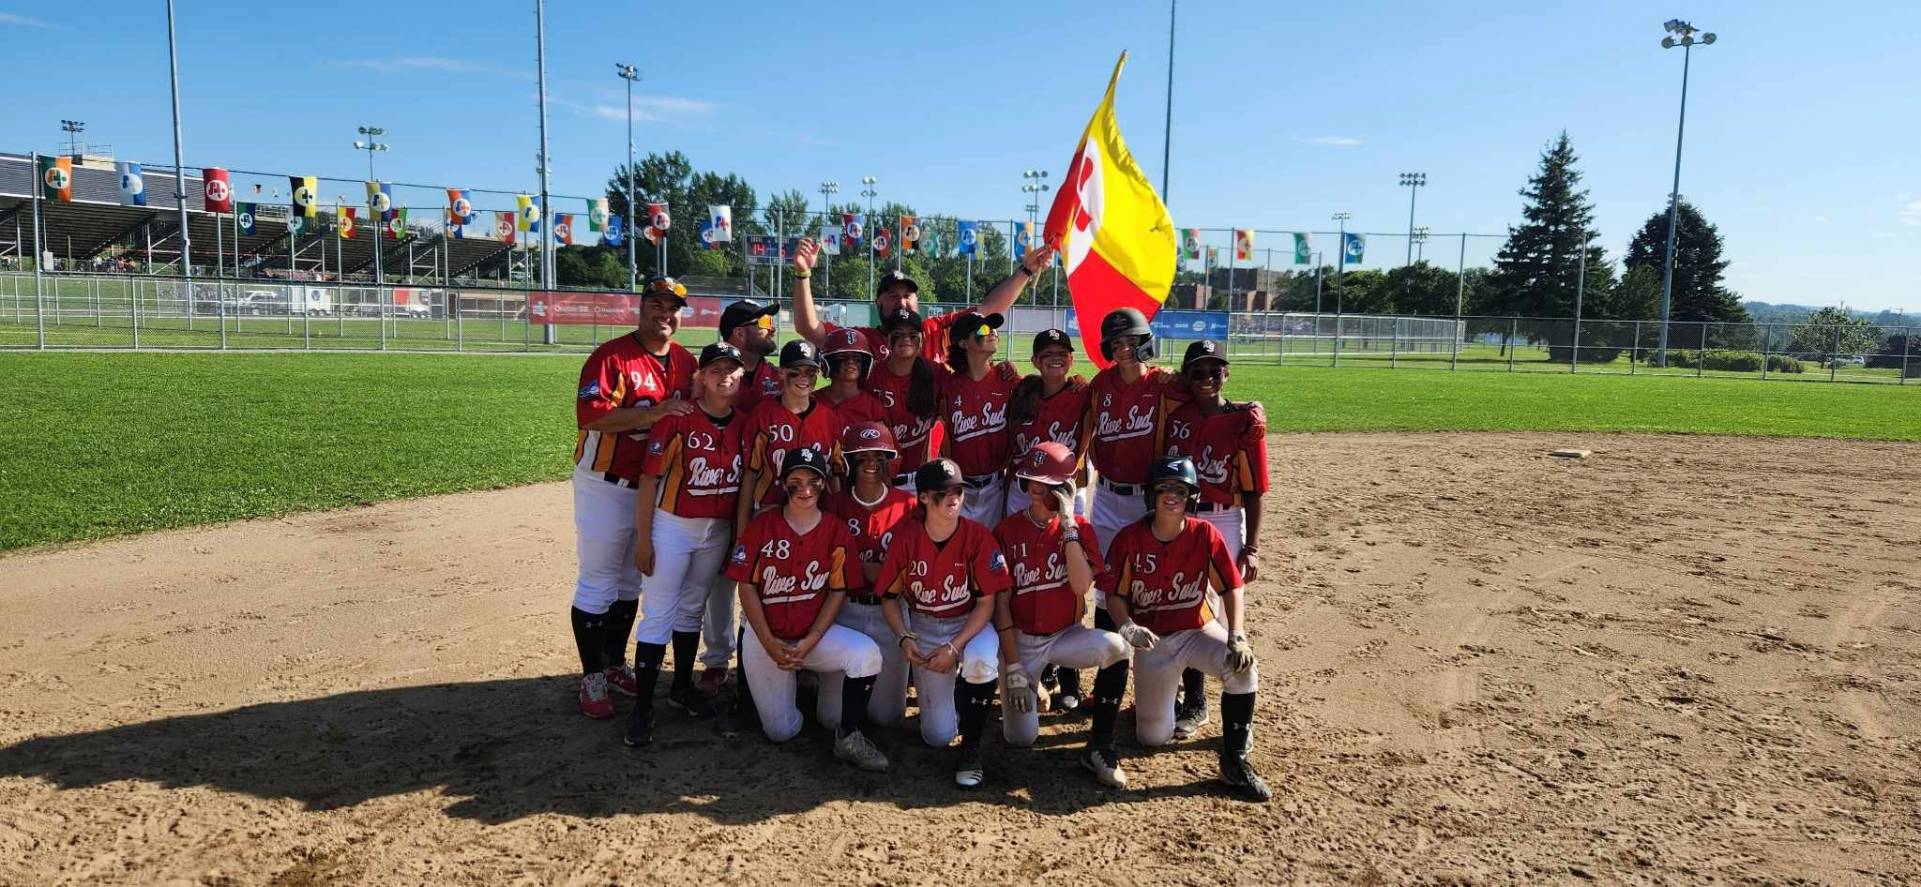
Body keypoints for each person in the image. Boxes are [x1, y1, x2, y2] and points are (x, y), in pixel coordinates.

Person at [1102, 456, 1269, 802]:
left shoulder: (1205, 534)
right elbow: (1114, 596)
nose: (1171, 496)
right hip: (1154, 644)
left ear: (1191, 496)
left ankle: (1235, 758)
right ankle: (1162, 705)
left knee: (1243, 666)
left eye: (1179, 489)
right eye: (1163, 488)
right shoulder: (1129, 539)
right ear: (1151, 494)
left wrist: (1236, 633)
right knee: (1152, 737)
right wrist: (1127, 626)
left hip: (1198, 632)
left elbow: (1231, 587)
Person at [568, 276, 698, 720]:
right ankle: (591, 677)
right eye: (658, 304)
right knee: (599, 581)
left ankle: (614, 662)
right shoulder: (612, 356)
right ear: (641, 307)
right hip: (605, 483)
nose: (667, 314)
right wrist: (653, 413)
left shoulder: (684, 361)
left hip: (653, 488)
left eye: (674, 307)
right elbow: (590, 415)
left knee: (631, 581)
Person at [721, 447, 891, 771]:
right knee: (780, 732)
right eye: (796, 482)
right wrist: (770, 644)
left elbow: (838, 591)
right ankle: (796, 698)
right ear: (784, 485)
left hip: (811, 639)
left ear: (824, 485)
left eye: (814, 482)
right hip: (766, 638)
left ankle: (849, 736)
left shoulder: (835, 529)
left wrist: (811, 641)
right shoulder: (762, 526)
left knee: (866, 654)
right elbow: (746, 587)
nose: (806, 490)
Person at [625, 342, 747, 743]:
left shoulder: (744, 423)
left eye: (732, 368)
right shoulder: (678, 420)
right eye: (715, 369)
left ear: (741, 375)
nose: (724, 375)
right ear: (701, 377)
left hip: (717, 531)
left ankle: (681, 689)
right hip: (673, 526)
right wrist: (645, 539)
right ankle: (643, 707)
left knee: (692, 608)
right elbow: (648, 481)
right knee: (659, 612)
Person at [992, 442, 1130, 788]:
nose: (1035, 495)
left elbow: (1082, 586)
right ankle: (1030, 682)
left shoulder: (1080, 528)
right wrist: (1012, 668)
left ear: (1064, 490)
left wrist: (1068, 523)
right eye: (1031, 485)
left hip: (1065, 637)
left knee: (1116, 647)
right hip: (1021, 642)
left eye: (1046, 488)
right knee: (1020, 739)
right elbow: (1001, 606)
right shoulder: (1007, 531)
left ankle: (1100, 745)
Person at [876, 458, 1012, 788]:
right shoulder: (907, 538)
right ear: (923, 497)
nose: (954, 497)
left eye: (958, 490)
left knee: (979, 662)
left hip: (968, 623)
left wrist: (954, 647)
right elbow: (889, 597)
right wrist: (904, 638)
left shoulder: (977, 536)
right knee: (937, 736)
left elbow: (986, 602)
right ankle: (954, 708)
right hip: (923, 624)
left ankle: (971, 748)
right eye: (944, 491)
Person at [788, 235, 1057, 365]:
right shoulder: (863, 340)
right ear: (878, 304)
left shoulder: (935, 331)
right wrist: (803, 273)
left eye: (907, 296)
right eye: (893, 296)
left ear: (917, 302)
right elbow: (810, 329)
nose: (902, 302)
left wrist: (1026, 271)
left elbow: (988, 311)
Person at [698, 299, 779, 697]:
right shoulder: (712, 377)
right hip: (715, 489)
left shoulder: (777, 376)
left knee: (763, 574)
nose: (772, 326)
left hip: (760, 494)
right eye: (763, 321)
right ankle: (716, 659)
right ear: (738, 333)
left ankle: (760, 650)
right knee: (717, 579)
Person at [821, 421, 918, 729]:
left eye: (879, 457)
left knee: (887, 718)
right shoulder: (834, 505)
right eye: (862, 457)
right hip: (845, 610)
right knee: (830, 719)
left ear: (889, 461)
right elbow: (824, 563)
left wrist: (856, 565)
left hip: (890, 613)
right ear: (849, 462)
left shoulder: (908, 504)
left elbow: (909, 572)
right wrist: (881, 569)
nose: (871, 464)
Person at [1163, 339, 1268, 584]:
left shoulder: (1245, 423)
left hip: (1224, 519)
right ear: (1187, 377)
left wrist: (1252, 548)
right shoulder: (1174, 415)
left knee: (1223, 595)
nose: (1206, 378)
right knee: (1180, 591)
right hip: (1179, 514)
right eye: (1198, 372)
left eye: (1215, 371)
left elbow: (1255, 491)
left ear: (1227, 374)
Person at [937, 312, 1019, 523]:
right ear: (964, 343)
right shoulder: (947, 386)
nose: (991, 332)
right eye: (982, 329)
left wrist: (1076, 381)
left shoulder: (1008, 381)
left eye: (992, 328)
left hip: (996, 488)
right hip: (959, 488)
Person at [1003, 328, 1093, 517]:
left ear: (1071, 360)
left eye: (1062, 353)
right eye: (1047, 354)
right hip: (1023, 488)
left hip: (1064, 488)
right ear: (1035, 361)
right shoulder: (1020, 391)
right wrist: (1003, 366)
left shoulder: (1084, 395)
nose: (1056, 358)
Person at [863, 307, 943, 493]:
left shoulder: (935, 373)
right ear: (887, 341)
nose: (905, 339)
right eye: (897, 334)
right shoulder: (871, 376)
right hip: (878, 478)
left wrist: (1003, 368)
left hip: (920, 479)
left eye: (913, 334)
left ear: (921, 340)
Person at [718, 299, 783, 416]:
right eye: (764, 322)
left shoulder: (781, 377)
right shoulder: (709, 379)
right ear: (740, 333)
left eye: (770, 321)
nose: (772, 329)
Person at [820, 326, 887, 428]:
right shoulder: (812, 402)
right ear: (828, 362)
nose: (850, 361)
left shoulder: (873, 407)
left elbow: (886, 443)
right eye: (842, 357)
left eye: (856, 358)